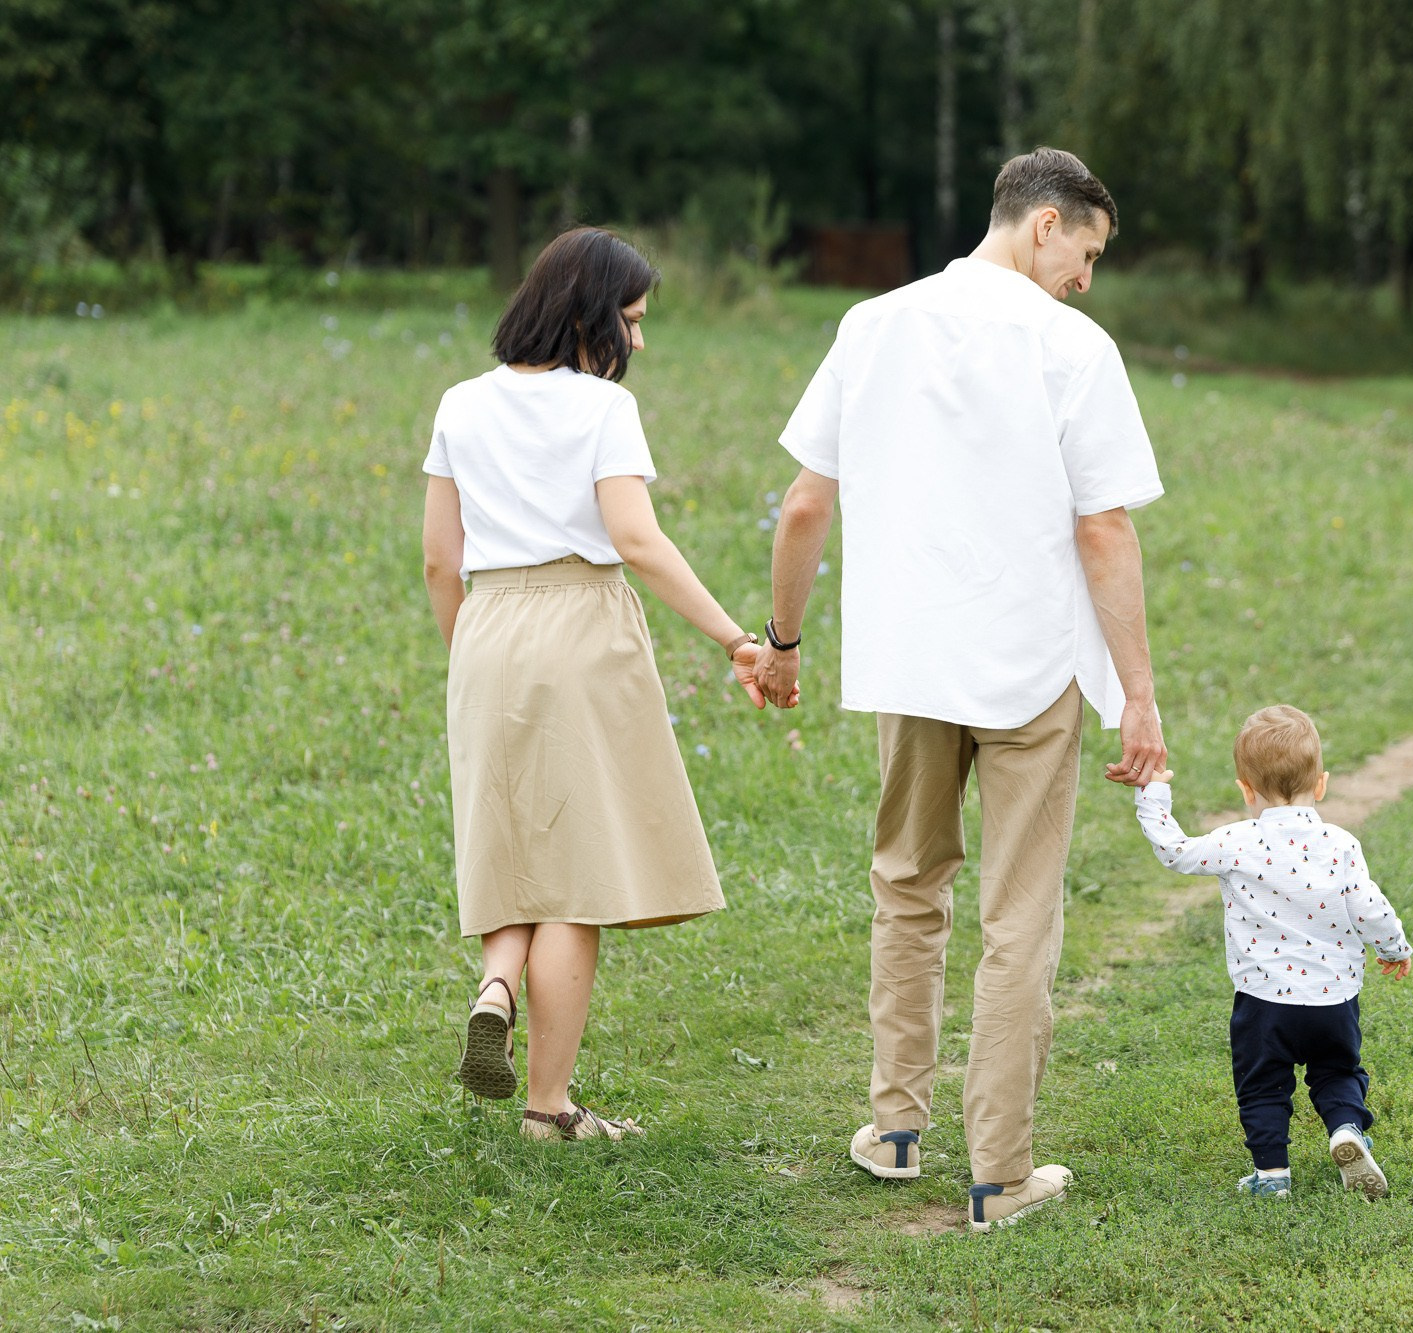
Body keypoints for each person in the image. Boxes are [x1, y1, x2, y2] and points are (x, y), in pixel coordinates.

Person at [756, 147, 1168, 1231]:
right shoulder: (1073, 348)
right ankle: (999, 1174)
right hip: (1029, 667)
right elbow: (1104, 528)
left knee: (906, 882)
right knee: (1016, 915)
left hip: (909, 660)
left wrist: (783, 641)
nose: (1085, 279)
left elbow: (804, 505)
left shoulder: (871, 325)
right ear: (1043, 225)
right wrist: (1138, 694)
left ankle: (894, 1128)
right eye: (1084, 253)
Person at [421, 226, 776, 1142]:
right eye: (631, 320)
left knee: (509, 847)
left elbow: (437, 561)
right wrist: (738, 636)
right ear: (589, 316)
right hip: (580, 625)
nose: (639, 342)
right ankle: (550, 1109)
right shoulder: (602, 411)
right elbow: (638, 540)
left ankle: (496, 984)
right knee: (576, 878)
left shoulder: (459, 404)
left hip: (489, 629)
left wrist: (473, 654)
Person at [1133, 706, 1412, 1199]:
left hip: (1264, 1001)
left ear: (1245, 789)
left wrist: (1154, 792)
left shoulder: (1235, 841)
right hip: (1333, 999)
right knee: (1338, 1070)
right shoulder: (1340, 843)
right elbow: (1369, 905)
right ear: (1320, 784)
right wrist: (1393, 946)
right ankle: (1346, 1129)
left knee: (1263, 1084)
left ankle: (1272, 1177)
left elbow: (1175, 851)